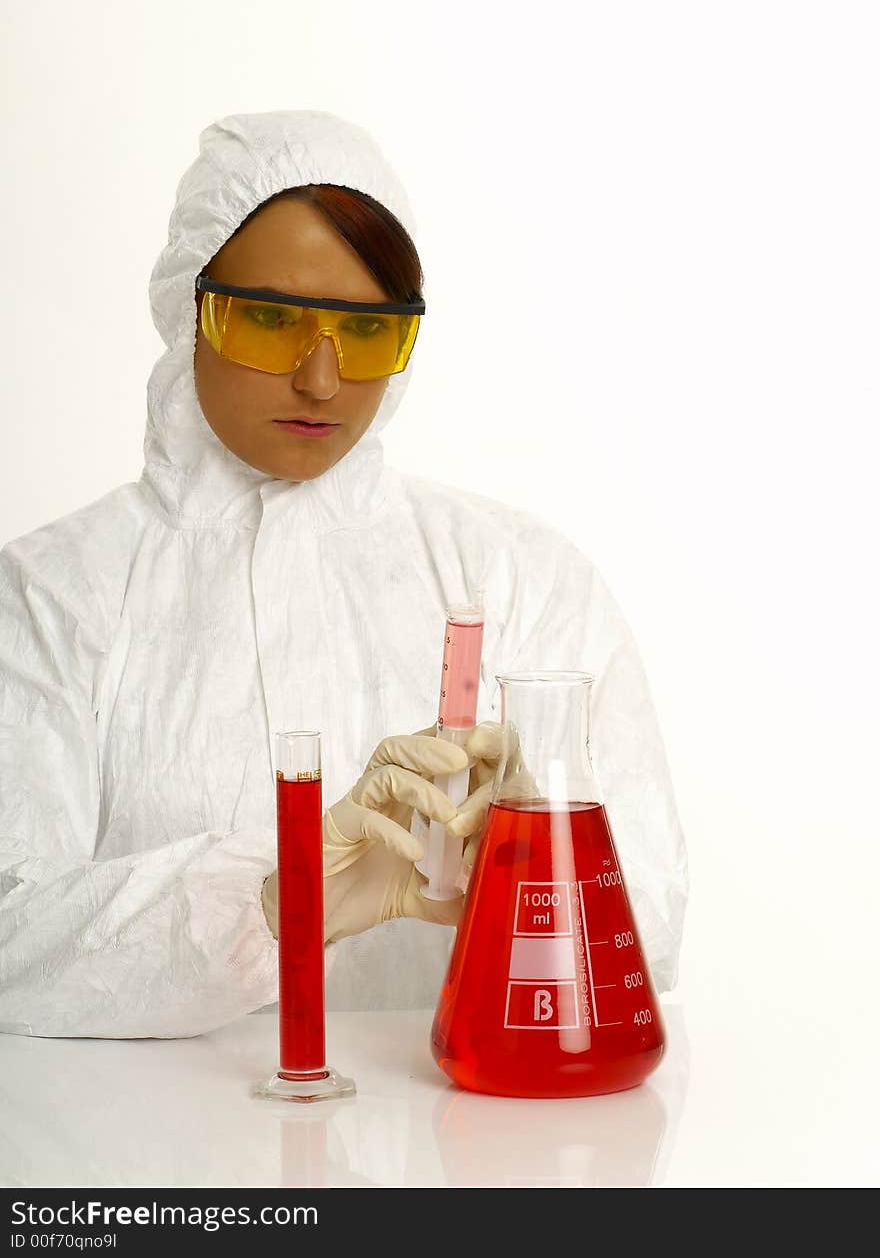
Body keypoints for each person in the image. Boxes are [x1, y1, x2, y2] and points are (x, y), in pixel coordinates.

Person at [0, 110, 688, 1038]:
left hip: (466, 1164)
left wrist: (530, 862)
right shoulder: (52, 595)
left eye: (364, 331)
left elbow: (645, 938)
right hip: (155, 1165)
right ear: (189, 306)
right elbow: (12, 944)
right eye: (273, 318)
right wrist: (278, 896)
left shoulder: (519, 577)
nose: (321, 378)